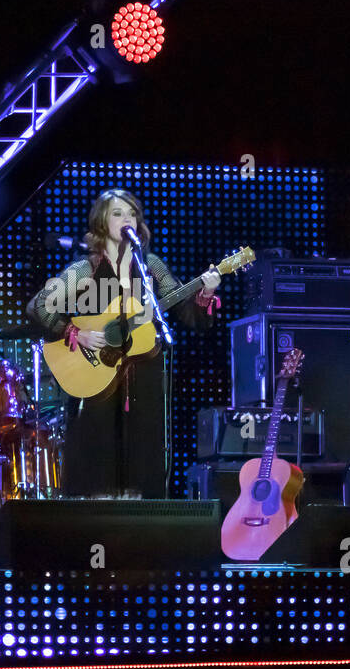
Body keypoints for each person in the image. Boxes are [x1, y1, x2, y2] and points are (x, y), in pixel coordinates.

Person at [26, 190, 220, 498]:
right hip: (96, 371)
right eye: (117, 213)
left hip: (142, 371)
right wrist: (75, 332)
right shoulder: (86, 268)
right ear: (102, 220)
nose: (126, 218)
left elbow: (184, 310)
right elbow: (39, 306)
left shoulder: (150, 265)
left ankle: (140, 523)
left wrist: (205, 293)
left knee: (143, 445)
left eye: (131, 213)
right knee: (98, 448)